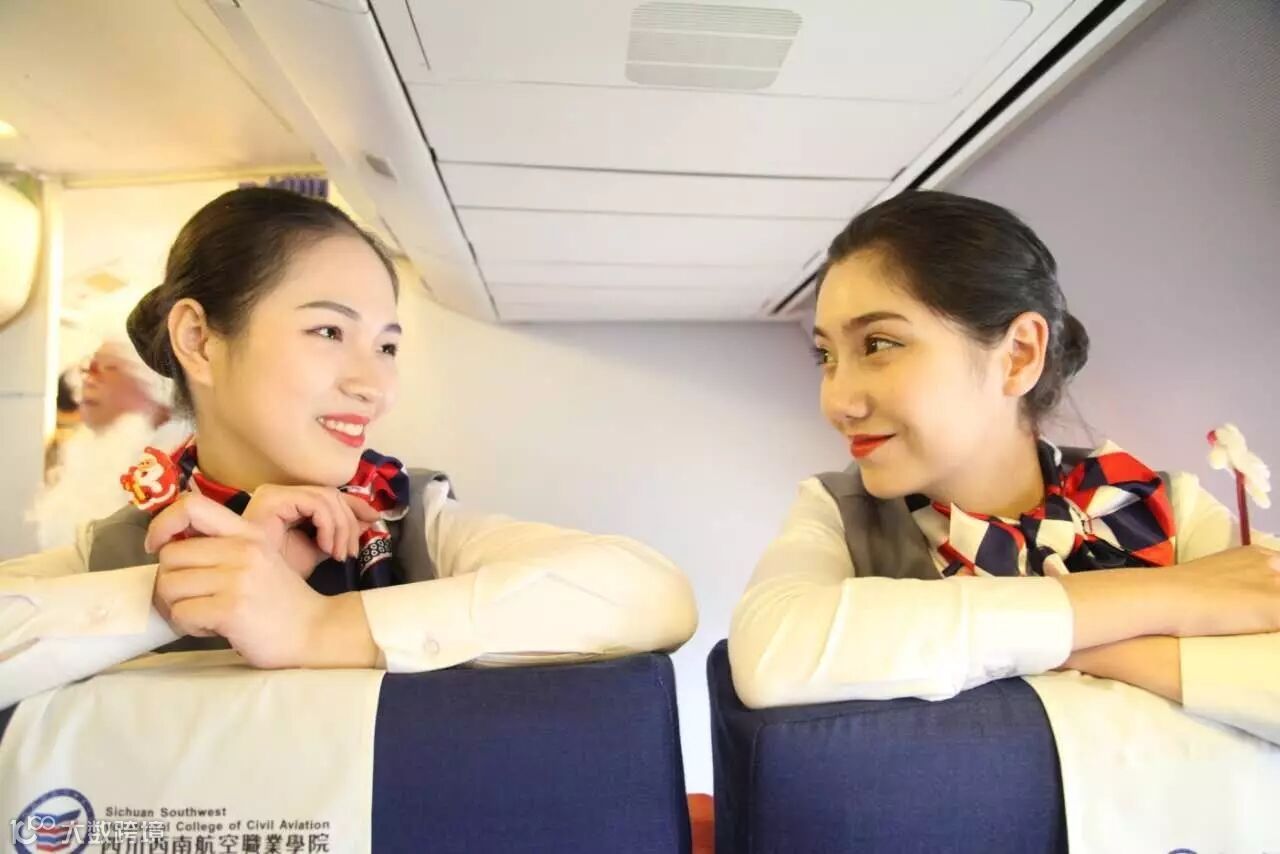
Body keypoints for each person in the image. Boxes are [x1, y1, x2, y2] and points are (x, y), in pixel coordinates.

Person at [0, 187, 696, 708]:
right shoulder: (115, 552)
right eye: (329, 332)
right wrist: (176, 595)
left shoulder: (412, 525)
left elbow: (653, 595)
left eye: (386, 346)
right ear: (200, 340)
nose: (374, 386)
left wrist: (318, 626)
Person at [729, 190, 1279, 745]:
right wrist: (1168, 596)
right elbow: (772, 654)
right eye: (826, 357)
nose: (837, 401)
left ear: (1018, 354)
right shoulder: (840, 513)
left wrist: (1097, 649)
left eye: (878, 344)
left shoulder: (1159, 501)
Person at [30, 339, 183, 550]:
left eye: (110, 368)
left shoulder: (175, 465)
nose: (89, 380)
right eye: (89, 368)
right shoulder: (81, 451)